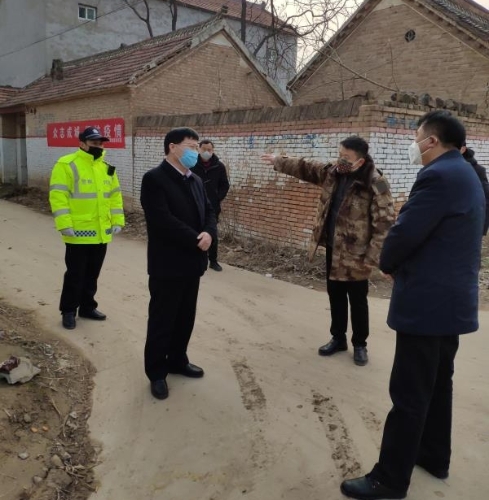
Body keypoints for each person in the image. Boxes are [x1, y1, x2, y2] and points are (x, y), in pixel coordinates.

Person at [340, 111, 485, 499]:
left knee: (409, 393)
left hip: (427, 303)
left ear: (432, 141)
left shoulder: (437, 176)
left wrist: (388, 262)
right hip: (450, 303)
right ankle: (434, 456)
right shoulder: (466, 173)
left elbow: (405, 232)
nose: (413, 144)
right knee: (437, 385)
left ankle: (389, 479)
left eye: (417, 136)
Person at [261, 136, 394, 366]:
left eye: (346, 157)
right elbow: (306, 168)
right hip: (334, 248)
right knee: (336, 295)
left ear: (360, 161)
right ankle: (338, 338)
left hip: (357, 255)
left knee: (358, 301)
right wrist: (278, 161)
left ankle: (360, 344)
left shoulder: (376, 182)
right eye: (339, 154)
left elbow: (385, 222)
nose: (340, 160)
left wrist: (373, 256)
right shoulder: (334, 172)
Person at [140, 127, 217, 400]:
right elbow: (161, 220)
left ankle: (177, 360)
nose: (196, 151)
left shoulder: (195, 179)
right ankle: (156, 372)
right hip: (167, 264)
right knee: (163, 320)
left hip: (193, 263)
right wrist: (196, 239)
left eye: (197, 147)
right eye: (191, 146)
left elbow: (209, 211)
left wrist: (209, 233)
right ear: (172, 147)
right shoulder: (154, 179)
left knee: (185, 317)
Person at [49, 126, 125, 330]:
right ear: (82, 143)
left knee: (92, 274)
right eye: (94, 142)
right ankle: (68, 311)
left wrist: (118, 220)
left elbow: (115, 196)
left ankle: (87, 307)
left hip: (101, 233)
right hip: (77, 232)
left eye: (100, 143)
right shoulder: (67, 164)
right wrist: (64, 224)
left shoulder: (107, 168)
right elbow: (58, 196)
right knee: (75, 275)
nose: (98, 146)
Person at [192, 140, 230, 272]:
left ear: (213, 151)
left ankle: (213, 260)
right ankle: (195, 258)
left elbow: (225, 185)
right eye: (204, 149)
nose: (207, 152)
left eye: (209, 150)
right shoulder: (192, 165)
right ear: (199, 150)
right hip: (194, 204)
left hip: (212, 206)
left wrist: (217, 198)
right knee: (194, 231)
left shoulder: (219, 166)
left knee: (211, 232)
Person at [461, 142, 489, 235]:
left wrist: (482, 228)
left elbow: (486, 199)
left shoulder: (477, 170)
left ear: (462, 149)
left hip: (467, 226)